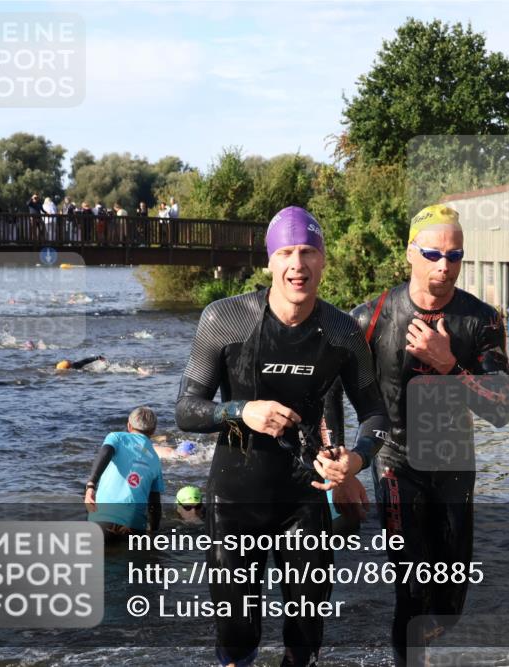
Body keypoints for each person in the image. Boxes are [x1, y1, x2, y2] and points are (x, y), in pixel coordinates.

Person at [175, 205, 390, 667]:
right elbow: (186, 411)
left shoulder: (341, 332)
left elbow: (376, 413)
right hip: (235, 498)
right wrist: (240, 410)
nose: (299, 264)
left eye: (309, 252)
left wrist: (356, 460)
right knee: (235, 631)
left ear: (323, 260)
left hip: (303, 497)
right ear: (270, 261)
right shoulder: (225, 319)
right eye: (288, 252)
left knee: (306, 628)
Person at [325, 204, 509, 667]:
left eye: (455, 256)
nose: (444, 266)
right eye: (433, 254)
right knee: (410, 583)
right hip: (394, 459)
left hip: (453, 461)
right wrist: (340, 463)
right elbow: (328, 384)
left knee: (450, 601)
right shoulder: (371, 317)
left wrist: (450, 364)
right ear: (410, 252)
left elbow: (501, 410)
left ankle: (424, 645)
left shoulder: (481, 320)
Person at [84, 406, 164, 540]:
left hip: (103, 519)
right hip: (135, 526)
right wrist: (153, 533)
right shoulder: (155, 459)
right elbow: (155, 505)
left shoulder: (116, 437)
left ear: (129, 425)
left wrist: (91, 485)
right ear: (153, 431)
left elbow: (105, 453)